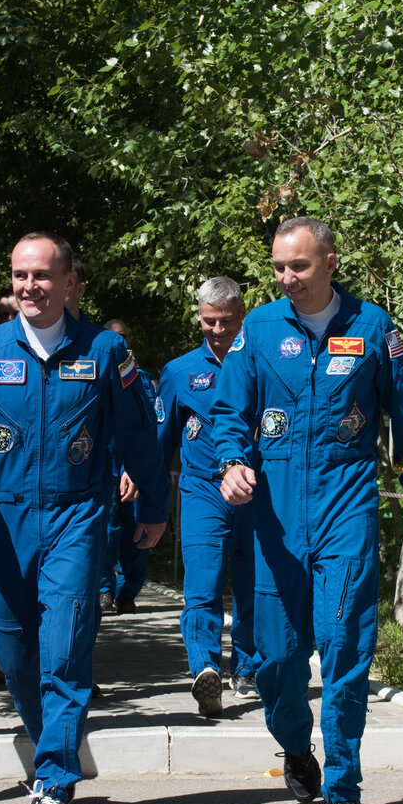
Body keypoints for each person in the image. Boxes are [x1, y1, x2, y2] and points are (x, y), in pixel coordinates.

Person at [209, 217, 403, 804]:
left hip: (345, 507)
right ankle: (293, 745)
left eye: (300, 267)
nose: (288, 278)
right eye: (280, 268)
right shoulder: (256, 330)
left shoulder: (372, 327)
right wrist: (232, 462)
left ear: (331, 262)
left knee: (343, 648)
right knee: (274, 659)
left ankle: (344, 788)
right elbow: (229, 412)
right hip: (274, 516)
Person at [0, 233, 167, 804]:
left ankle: (54, 780)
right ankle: (47, 736)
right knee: (11, 646)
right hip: (4, 523)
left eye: (42, 275)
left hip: (77, 515)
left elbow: (140, 437)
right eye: (19, 275)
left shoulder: (107, 351)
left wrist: (154, 508)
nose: (28, 287)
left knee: (64, 645)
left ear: (70, 285)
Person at [157, 277, 259, 717]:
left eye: (226, 322)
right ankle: (205, 671)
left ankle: (249, 668)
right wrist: (144, 485)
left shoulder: (262, 361)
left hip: (258, 494)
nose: (216, 330)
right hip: (202, 490)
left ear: (242, 316)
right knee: (203, 583)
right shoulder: (180, 372)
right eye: (208, 321)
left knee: (255, 586)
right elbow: (160, 440)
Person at [97, 319, 152, 616]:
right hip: (103, 466)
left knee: (136, 531)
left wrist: (138, 467)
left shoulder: (142, 379)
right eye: (113, 337)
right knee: (106, 530)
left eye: (124, 336)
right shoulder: (93, 374)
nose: (120, 342)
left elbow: (149, 427)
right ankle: (104, 589)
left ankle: (128, 592)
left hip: (133, 467)